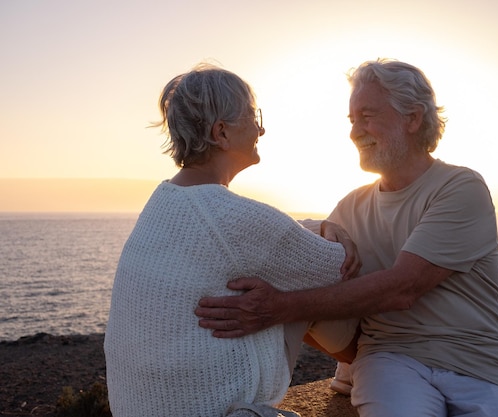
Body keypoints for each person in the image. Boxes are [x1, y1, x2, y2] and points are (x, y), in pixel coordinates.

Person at [195, 58, 498, 417]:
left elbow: (403, 287)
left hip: (481, 363)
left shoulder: (460, 187)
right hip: (392, 360)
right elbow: (290, 250)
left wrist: (277, 308)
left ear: (413, 118)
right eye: (352, 120)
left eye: (367, 117)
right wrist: (320, 226)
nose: (355, 132)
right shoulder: (351, 207)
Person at [104, 63, 361, 417]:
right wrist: (339, 230)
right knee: (320, 288)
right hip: (215, 411)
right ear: (221, 132)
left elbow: (272, 239)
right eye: (253, 117)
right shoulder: (230, 214)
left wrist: (317, 226)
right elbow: (340, 268)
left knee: (278, 280)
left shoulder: (165, 199)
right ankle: (366, 369)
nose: (262, 128)